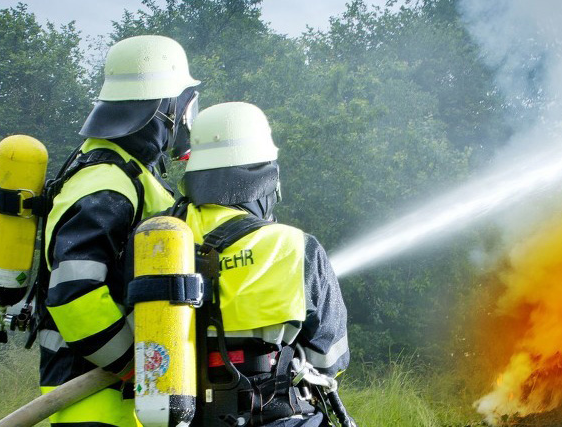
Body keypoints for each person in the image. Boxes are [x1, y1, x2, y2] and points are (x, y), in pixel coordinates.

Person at [35, 34, 199, 427]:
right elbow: (75, 293)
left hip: (126, 401)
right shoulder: (107, 182)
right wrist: (139, 366)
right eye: (185, 105)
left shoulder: (131, 175)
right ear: (164, 107)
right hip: (96, 404)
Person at [167, 102, 350, 426]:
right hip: (275, 416)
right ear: (264, 177)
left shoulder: (159, 238)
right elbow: (329, 359)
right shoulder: (295, 246)